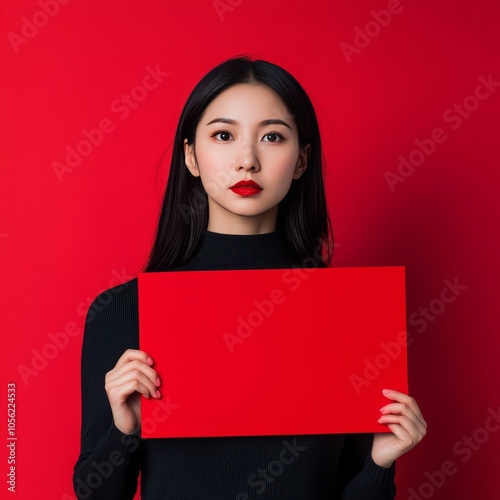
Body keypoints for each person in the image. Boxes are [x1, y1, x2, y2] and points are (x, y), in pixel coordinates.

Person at [73, 55, 427, 499]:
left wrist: (380, 464)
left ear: (301, 160)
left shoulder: (349, 311)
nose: (247, 160)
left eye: (273, 137)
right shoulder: (122, 310)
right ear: (191, 156)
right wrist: (124, 430)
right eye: (223, 135)